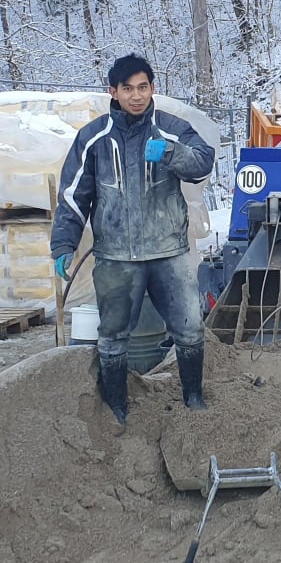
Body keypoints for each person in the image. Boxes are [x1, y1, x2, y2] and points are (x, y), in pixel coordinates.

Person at [51, 54, 215, 425]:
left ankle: (194, 398)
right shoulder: (92, 139)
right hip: (116, 257)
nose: (136, 96)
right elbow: (74, 196)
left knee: (189, 328)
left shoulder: (171, 129)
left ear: (152, 88)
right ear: (113, 92)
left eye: (143, 87)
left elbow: (204, 161)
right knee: (112, 336)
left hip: (169, 252)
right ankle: (117, 409)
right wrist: (63, 244)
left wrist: (172, 153)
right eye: (128, 89)